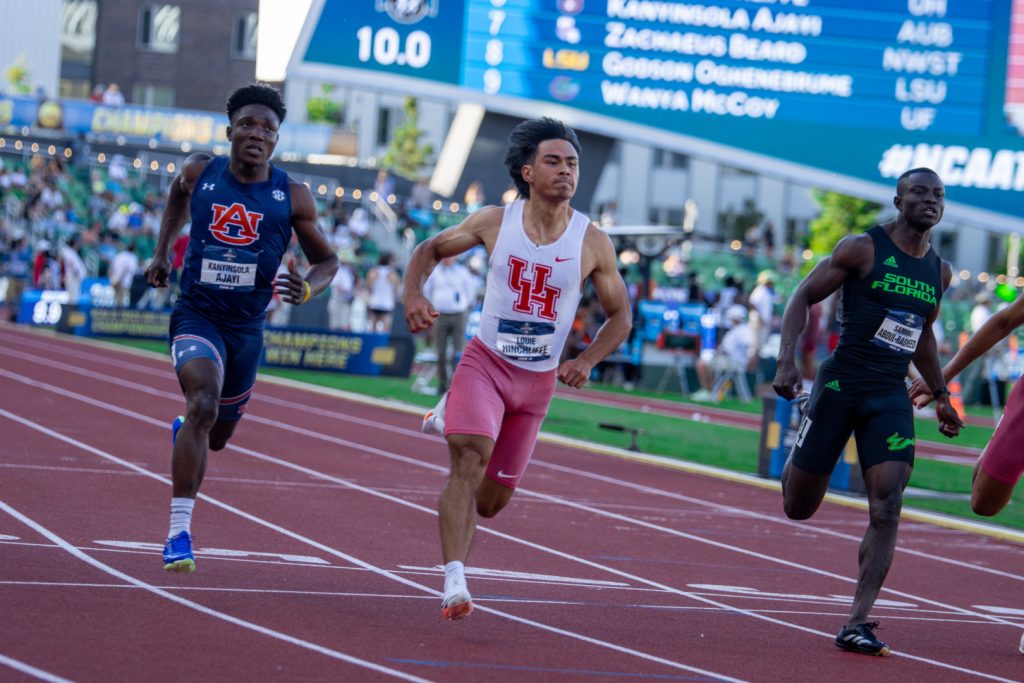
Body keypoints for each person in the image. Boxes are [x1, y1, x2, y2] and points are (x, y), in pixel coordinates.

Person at [402, 117, 632, 620]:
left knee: (491, 503)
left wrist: (587, 359)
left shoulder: (593, 242)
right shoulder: (494, 222)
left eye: (572, 163)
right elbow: (429, 250)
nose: (565, 171)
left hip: (537, 384)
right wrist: (414, 293)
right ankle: (454, 581)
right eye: (553, 161)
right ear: (527, 171)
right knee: (469, 458)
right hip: (486, 363)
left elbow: (621, 315)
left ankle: (451, 418)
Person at [143, 83, 338, 573]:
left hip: (247, 328)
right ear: (230, 130)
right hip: (197, 315)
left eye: (267, 129)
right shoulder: (199, 171)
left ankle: (188, 432)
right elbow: (175, 200)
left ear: (276, 141)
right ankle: (178, 534)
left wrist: (308, 287)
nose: (256, 134)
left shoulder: (291, 195)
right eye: (248, 124)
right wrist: (163, 250)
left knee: (216, 435)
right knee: (202, 403)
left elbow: (328, 261)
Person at [772, 167, 962, 656]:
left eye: (938, 195)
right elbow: (803, 296)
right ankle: (804, 447)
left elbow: (920, 331)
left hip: (888, 396)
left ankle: (856, 621)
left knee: (888, 503)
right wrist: (787, 358)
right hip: (839, 384)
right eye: (919, 192)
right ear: (898, 200)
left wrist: (940, 393)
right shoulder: (862, 248)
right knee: (798, 506)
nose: (930, 201)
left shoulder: (938, 272)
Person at [423, 255, 478, 393]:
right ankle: (442, 385)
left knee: (457, 352)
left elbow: (471, 290)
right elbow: (427, 290)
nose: (448, 259)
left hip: (458, 314)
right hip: (440, 315)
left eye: (451, 257)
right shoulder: (435, 272)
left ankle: (456, 387)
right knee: (441, 352)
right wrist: (431, 307)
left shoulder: (462, 272)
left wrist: (464, 304)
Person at [691, 304, 755, 402]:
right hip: (727, 360)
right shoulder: (734, 330)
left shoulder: (743, 330)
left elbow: (747, 345)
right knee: (704, 363)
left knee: (701, 364)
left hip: (733, 362)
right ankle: (710, 390)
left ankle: (708, 390)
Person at [366, 252, 400, 333]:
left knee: (372, 326)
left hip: (374, 301)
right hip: (386, 303)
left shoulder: (373, 271)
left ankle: (372, 344)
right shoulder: (392, 273)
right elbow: (396, 289)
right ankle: (383, 345)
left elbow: (368, 287)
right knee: (385, 328)